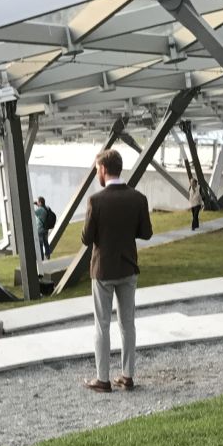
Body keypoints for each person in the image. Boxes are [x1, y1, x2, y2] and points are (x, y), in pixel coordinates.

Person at [80, 148, 153, 393]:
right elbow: (146, 233)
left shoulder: (96, 201)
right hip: (128, 267)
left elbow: (86, 238)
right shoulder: (138, 198)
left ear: (102, 169)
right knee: (128, 323)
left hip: (102, 270)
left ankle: (103, 378)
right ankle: (127, 375)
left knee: (102, 324)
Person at [32, 197, 54, 261]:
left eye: (38, 202)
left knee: (40, 244)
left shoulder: (40, 209)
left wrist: (32, 204)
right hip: (46, 229)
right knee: (46, 242)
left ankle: (41, 258)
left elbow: (32, 212)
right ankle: (47, 255)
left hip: (40, 229)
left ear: (40, 202)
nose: (37, 203)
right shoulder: (47, 208)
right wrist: (37, 204)